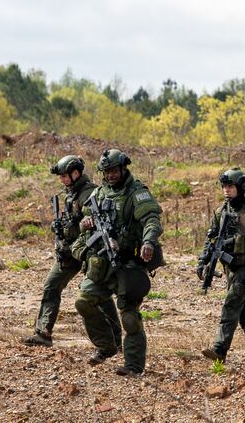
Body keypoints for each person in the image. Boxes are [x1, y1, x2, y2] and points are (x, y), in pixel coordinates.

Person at [72, 149, 163, 376]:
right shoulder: (99, 194)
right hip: (102, 262)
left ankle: (133, 366)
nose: (110, 175)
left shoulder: (136, 192)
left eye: (113, 171)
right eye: (106, 172)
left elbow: (152, 219)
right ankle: (106, 345)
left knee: (129, 317)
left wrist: (149, 242)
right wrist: (86, 223)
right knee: (84, 301)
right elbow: (84, 217)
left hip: (129, 263)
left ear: (123, 168)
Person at [22, 155, 121, 348]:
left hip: (88, 252)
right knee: (51, 286)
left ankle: (115, 339)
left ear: (76, 173)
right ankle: (43, 332)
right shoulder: (71, 193)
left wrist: (76, 229)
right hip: (69, 252)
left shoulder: (89, 194)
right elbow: (72, 222)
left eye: (64, 176)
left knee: (98, 295)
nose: (62, 180)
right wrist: (60, 227)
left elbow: (96, 223)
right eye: (60, 177)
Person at [197, 168, 245, 363]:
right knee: (243, 310)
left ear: (241, 187)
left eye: (230, 186)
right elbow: (210, 239)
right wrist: (203, 260)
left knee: (231, 304)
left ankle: (220, 349)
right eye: (224, 187)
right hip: (231, 268)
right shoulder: (221, 212)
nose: (226, 190)